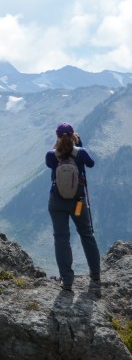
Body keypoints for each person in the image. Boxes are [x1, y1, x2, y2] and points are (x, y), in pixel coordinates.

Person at [45, 122, 101, 291]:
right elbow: (90, 164)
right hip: (77, 202)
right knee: (86, 234)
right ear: (73, 135)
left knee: (61, 238)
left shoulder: (51, 155)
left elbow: (50, 165)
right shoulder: (81, 153)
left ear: (57, 136)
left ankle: (67, 281)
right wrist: (79, 145)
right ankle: (96, 277)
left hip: (57, 203)